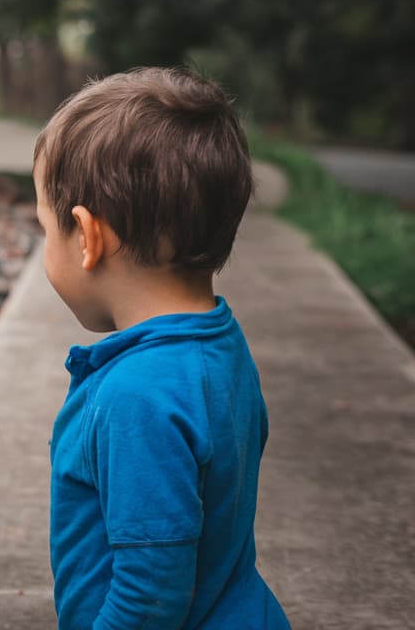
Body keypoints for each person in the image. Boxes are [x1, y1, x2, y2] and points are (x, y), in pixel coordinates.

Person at [34, 68, 291, 628]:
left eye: (45, 232)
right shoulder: (218, 344)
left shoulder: (136, 399)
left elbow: (149, 599)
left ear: (86, 236)